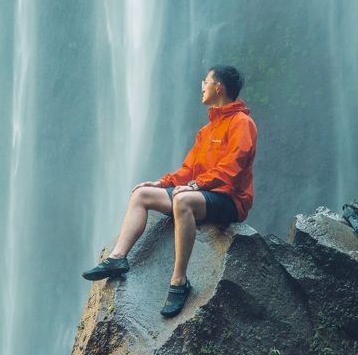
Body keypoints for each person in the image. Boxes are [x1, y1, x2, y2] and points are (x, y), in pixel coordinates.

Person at [82, 66, 257, 318]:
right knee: (141, 194)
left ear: (219, 87)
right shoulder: (206, 131)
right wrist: (161, 183)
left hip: (230, 199)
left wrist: (197, 185)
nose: (202, 86)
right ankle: (117, 258)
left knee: (183, 200)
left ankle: (179, 281)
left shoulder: (242, 123)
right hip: (203, 194)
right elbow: (188, 170)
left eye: (205, 81)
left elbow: (234, 167)